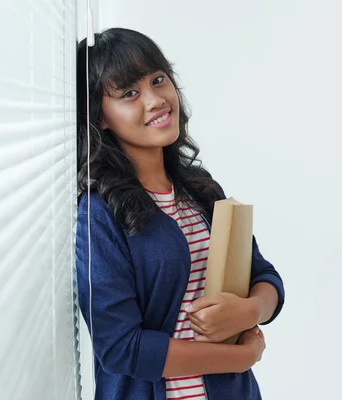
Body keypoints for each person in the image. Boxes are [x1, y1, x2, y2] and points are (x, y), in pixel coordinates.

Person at [75, 27, 285, 400]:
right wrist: (237, 358)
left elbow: (264, 275)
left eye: (158, 80)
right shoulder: (98, 212)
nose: (156, 100)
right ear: (101, 116)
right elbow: (122, 348)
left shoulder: (200, 189)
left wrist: (251, 309)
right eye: (129, 93)